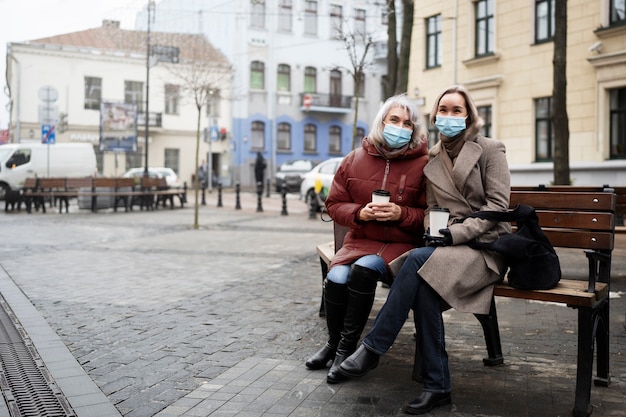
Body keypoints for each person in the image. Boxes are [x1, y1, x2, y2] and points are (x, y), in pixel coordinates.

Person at [338, 85, 512, 414]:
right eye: (442, 110)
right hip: (448, 247)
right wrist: (436, 230)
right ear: (434, 117)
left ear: (469, 116)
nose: (448, 116)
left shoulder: (490, 149)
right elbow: (432, 208)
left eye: (455, 110)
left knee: (416, 260)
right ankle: (438, 386)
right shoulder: (432, 159)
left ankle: (373, 348)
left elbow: (498, 209)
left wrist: (453, 234)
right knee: (424, 294)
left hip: (486, 247)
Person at [305, 94, 429, 384]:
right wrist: (361, 213)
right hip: (360, 240)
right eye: (394, 120)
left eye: (407, 123)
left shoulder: (424, 164)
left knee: (363, 270)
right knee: (336, 277)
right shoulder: (354, 159)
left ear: (414, 129)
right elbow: (333, 205)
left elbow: (428, 214)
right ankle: (333, 344)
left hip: (400, 246)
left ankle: (347, 350)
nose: (400, 126)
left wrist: (400, 213)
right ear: (382, 121)